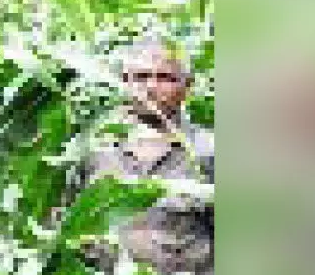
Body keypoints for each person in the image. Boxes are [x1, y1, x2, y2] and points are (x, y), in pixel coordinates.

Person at [76, 39, 214, 274]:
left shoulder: (209, 151)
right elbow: (66, 228)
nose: (150, 87)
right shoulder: (92, 148)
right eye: (141, 77)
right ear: (124, 82)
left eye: (165, 78)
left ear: (187, 87)